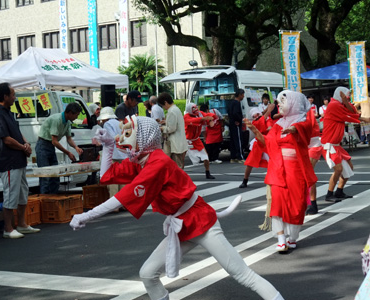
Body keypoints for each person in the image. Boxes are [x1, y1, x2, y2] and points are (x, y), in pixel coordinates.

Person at [70, 116, 285, 300]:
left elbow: (121, 198)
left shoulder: (157, 163)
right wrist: (107, 146)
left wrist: (87, 215)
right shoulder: (142, 161)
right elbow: (106, 176)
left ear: (142, 136)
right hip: (181, 224)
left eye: (128, 131)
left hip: (201, 221)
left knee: (242, 274)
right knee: (147, 273)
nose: (122, 135)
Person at [245, 90, 317, 251]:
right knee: (277, 203)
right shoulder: (278, 125)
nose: (279, 106)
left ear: (293, 103)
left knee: (297, 205)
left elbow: (304, 130)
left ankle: (293, 237)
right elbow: (268, 143)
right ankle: (281, 238)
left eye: (282, 102)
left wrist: (293, 129)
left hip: (296, 170)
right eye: (278, 103)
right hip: (278, 168)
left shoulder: (303, 121)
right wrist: (255, 131)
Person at [0, 82, 40, 239]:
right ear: (5, 96)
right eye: (12, 94)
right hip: (9, 160)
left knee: (23, 192)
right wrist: (23, 147)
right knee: (10, 194)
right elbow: (6, 139)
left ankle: (22, 224)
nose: (14, 97)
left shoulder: (9, 112)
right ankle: (8, 228)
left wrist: (25, 144)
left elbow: (17, 133)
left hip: (19, 159)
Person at [321, 87, 370, 202]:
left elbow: (352, 111)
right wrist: (363, 119)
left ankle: (339, 191)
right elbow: (346, 116)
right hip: (329, 144)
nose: (347, 98)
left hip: (336, 145)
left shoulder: (339, 104)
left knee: (349, 168)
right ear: (340, 94)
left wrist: (346, 101)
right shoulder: (334, 105)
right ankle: (329, 194)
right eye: (346, 96)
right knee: (338, 169)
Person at [36, 102, 83, 194]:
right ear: (70, 113)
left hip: (50, 146)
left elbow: (69, 138)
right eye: (76, 115)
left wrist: (76, 147)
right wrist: (68, 152)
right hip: (43, 145)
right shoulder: (57, 119)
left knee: (55, 175)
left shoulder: (68, 122)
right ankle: (44, 200)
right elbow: (54, 141)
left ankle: (53, 199)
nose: (77, 117)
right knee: (45, 176)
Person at [95, 106, 128, 198]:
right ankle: (123, 202)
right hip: (124, 154)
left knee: (113, 179)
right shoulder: (119, 123)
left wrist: (100, 141)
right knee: (123, 179)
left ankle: (114, 204)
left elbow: (112, 138)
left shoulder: (107, 124)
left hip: (113, 154)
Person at [239, 105, 274, 188]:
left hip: (267, 143)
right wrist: (268, 111)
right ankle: (245, 180)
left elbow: (269, 123)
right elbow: (260, 123)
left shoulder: (266, 118)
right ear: (253, 117)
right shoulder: (254, 123)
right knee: (250, 163)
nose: (257, 116)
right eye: (255, 115)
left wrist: (270, 127)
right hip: (258, 144)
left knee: (272, 163)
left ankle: (273, 179)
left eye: (258, 114)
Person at [184, 103, 215, 179]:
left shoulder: (199, 114)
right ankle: (180, 173)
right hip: (186, 140)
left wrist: (211, 119)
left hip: (196, 139)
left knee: (205, 156)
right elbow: (192, 121)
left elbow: (210, 115)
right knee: (181, 158)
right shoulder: (186, 117)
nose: (196, 112)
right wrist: (203, 119)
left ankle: (207, 172)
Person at [157, 92, 188, 169]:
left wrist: (162, 128)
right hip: (179, 142)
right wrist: (166, 122)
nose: (163, 107)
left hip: (175, 144)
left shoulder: (171, 111)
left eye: (162, 105)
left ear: (165, 102)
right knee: (178, 166)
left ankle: (180, 181)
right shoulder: (176, 109)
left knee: (177, 167)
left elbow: (171, 129)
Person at [228, 89, 245, 163]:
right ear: (240, 95)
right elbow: (235, 113)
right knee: (238, 140)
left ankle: (233, 157)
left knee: (233, 140)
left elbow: (229, 112)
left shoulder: (231, 103)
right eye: (243, 94)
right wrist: (238, 120)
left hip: (231, 123)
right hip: (236, 124)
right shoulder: (237, 103)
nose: (243, 96)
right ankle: (240, 157)